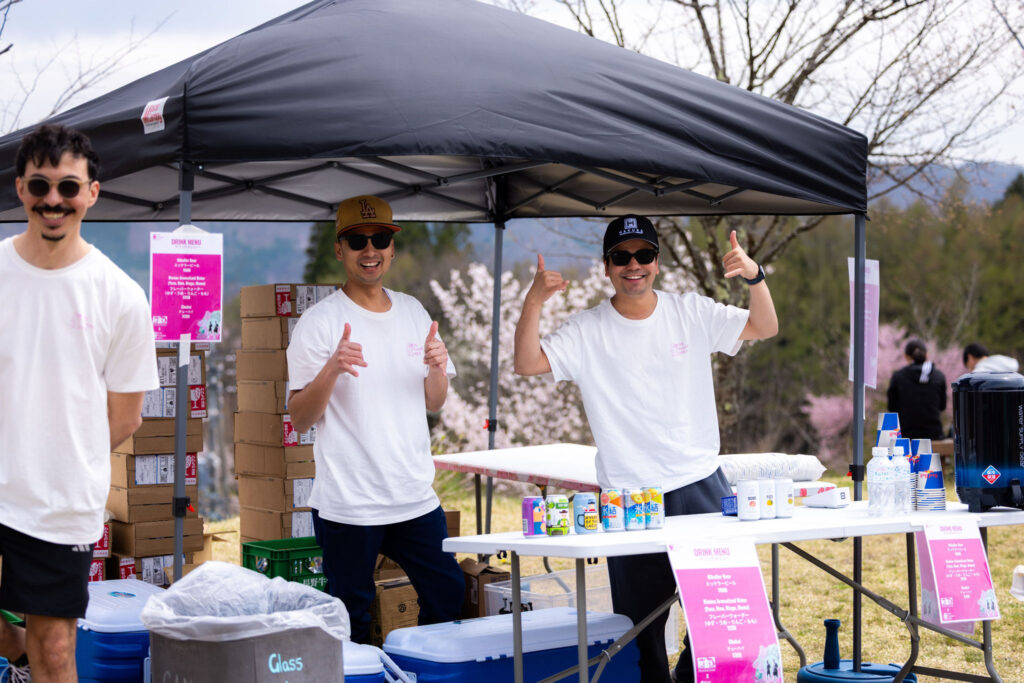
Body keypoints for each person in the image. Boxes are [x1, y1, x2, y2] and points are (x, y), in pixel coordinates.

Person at [513, 214, 778, 683]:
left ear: (657, 260)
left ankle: (688, 677)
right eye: (621, 256)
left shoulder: (690, 311)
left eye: (643, 254)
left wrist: (754, 276)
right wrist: (533, 301)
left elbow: (765, 325)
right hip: (629, 496)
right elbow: (527, 361)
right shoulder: (586, 328)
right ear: (606, 266)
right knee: (639, 633)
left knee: (724, 611)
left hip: (699, 482)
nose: (633, 265)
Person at [0, 124, 158, 683]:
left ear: (92, 192)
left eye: (68, 187)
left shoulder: (120, 295)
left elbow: (126, 415)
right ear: (20, 188)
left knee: (55, 651)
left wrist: (61, 454)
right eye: (39, 185)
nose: (53, 200)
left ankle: (27, 654)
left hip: (59, 501)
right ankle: (14, 647)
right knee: (18, 637)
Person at [286, 195, 464, 644]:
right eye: (357, 241)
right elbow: (300, 418)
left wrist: (438, 368)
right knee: (353, 619)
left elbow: (434, 401)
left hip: (412, 494)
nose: (370, 250)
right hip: (349, 501)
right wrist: (332, 368)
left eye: (380, 239)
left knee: (448, 594)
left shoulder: (413, 311)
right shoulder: (319, 322)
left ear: (392, 248)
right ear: (339, 250)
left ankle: (420, 669)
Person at [886, 339, 947, 440]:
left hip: (905, 435)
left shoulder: (898, 377)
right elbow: (942, 406)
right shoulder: (939, 376)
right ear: (926, 355)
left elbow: (892, 408)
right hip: (934, 434)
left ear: (906, 356)